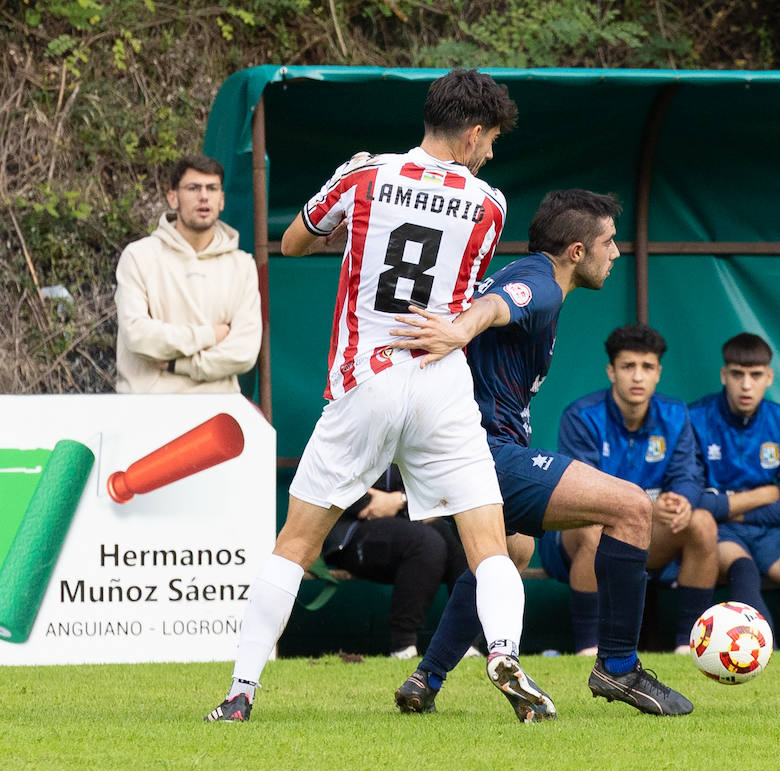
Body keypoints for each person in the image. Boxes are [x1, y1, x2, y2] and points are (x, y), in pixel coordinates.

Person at [205, 68, 550, 723]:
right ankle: (503, 651)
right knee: (488, 543)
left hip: (369, 376)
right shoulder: (489, 203)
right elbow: (454, 275)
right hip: (441, 381)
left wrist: (345, 219)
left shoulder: (365, 175)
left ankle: (240, 693)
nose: (492, 152)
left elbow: (293, 242)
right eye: (492, 140)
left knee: (296, 544)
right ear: (472, 133)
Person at [389, 190, 694, 716]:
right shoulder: (541, 286)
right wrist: (463, 327)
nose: (617, 253)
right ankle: (618, 668)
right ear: (577, 251)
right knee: (631, 507)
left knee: (513, 552)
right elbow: (497, 308)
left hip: (456, 446)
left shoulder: (523, 271)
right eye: (609, 242)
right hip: (479, 449)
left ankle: (426, 678)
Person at [540, 324, 718, 654]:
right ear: (611, 371)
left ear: (658, 373)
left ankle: (689, 647)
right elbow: (582, 496)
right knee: (595, 528)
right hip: (574, 539)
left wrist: (681, 501)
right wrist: (651, 507)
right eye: (628, 366)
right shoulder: (582, 416)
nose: (638, 377)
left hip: (646, 534)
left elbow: (688, 475)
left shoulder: (676, 414)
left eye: (647, 367)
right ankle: (588, 648)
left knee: (702, 523)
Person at [690, 333, 780, 651]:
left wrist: (728, 505)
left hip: (772, 531)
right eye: (738, 375)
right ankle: (763, 659)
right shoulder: (695, 419)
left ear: (769, 377)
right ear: (724, 375)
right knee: (743, 570)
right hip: (721, 531)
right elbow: (695, 502)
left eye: (755, 375)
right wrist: (763, 495)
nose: (746, 385)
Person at [114, 154, 262, 394]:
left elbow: (244, 352)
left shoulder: (242, 266)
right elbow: (138, 336)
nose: (204, 196)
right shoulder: (138, 257)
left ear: (222, 200)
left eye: (212, 188)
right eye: (194, 188)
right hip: (147, 411)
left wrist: (178, 364)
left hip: (217, 415)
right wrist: (209, 335)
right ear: (173, 197)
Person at [321, 465, 466, 659]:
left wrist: (400, 500)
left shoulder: (421, 438)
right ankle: (403, 646)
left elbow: (440, 486)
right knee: (425, 542)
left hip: (409, 520)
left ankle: (465, 641)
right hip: (350, 533)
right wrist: (371, 501)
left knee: (463, 540)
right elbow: (328, 484)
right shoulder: (343, 436)